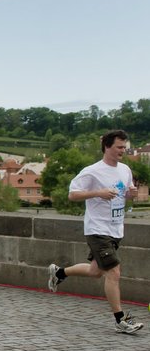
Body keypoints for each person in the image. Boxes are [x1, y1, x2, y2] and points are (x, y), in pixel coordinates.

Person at [47, 130, 142, 334]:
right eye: (119, 147)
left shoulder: (125, 170)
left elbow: (126, 196)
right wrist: (97, 193)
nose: (122, 151)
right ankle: (121, 320)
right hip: (97, 229)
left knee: (96, 271)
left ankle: (59, 272)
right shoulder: (92, 171)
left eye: (124, 147)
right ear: (107, 147)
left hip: (116, 228)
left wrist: (131, 194)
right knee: (114, 272)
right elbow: (72, 195)